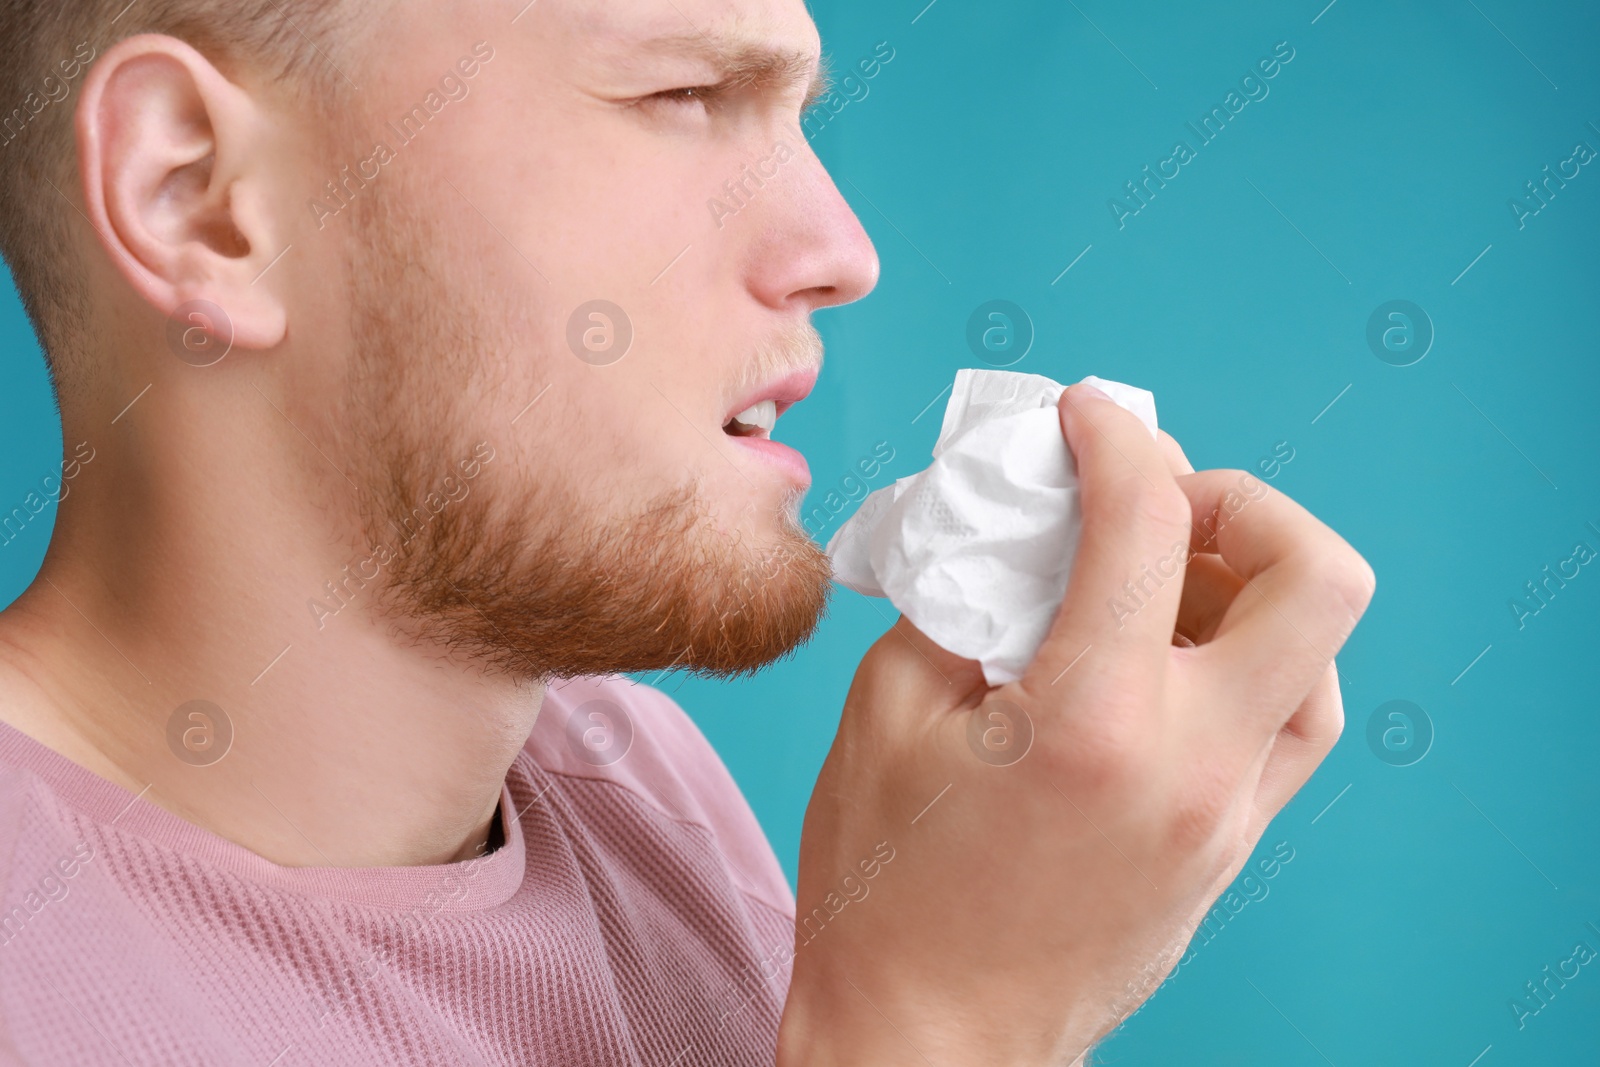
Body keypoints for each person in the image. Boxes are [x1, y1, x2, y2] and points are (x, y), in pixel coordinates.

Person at [0, 0, 1375, 1063]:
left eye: (794, 117)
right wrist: (938, 1029)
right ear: (197, 199)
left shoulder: (631, 782)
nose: (842, 249)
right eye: (687, 93)